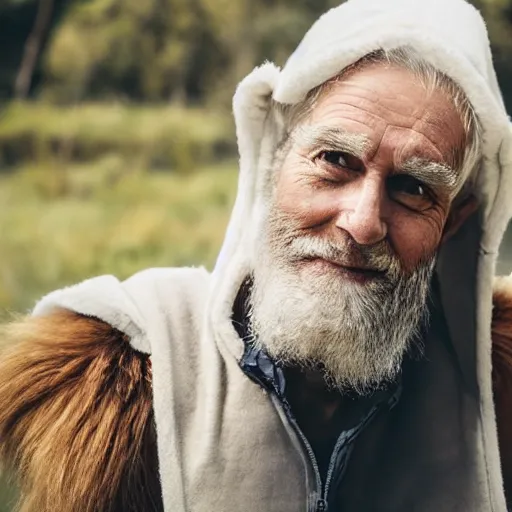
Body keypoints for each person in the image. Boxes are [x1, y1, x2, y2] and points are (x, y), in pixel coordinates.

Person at [1, 0, 512, 510]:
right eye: (335, 160)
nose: (361, 223)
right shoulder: (121, 381)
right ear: (275, 159)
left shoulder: (496, 394)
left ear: (453, 223)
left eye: (414, 189)